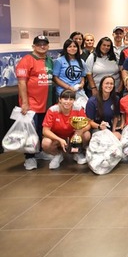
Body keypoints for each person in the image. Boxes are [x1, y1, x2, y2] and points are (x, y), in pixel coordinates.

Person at [16, 35, 56, 170]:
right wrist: (25, 103)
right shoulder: (26, 60)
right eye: (39, 44)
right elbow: (22, 82)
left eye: (45, 44)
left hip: (46, 103)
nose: (42, 46)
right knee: (30, 132)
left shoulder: (49, 60)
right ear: (33, 46)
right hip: (32, 103)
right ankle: (29, 157)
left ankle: (38, 152)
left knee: (41, 130)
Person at [42, 90, 91, 169]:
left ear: (74, 101)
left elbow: (88, 124)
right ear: (60, 99)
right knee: (46, 143)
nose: (68, 102)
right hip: (57, 138)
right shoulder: (52, 110)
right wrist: (59, 139)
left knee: (87, 134)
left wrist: (81, 130)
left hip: (73, 136)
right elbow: (45, 131)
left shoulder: (78, 109)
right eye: (65, 99)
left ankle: (77, 152)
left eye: (71, 99)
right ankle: (57, 155)